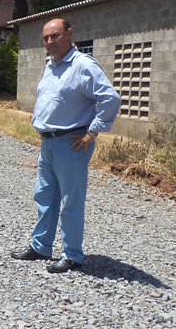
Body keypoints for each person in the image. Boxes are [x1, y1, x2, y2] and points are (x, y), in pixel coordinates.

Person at [11, 19, 120, 273]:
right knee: (44, 196)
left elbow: (109, 98)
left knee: (71, 200)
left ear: (69, 34)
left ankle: (72, 255)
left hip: (71, 144)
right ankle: (41, 246)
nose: (50, 41)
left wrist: (93, 131)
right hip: (47, 142)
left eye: (55, 36)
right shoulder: (51, 65)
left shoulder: (82, 65)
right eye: (46, 38)